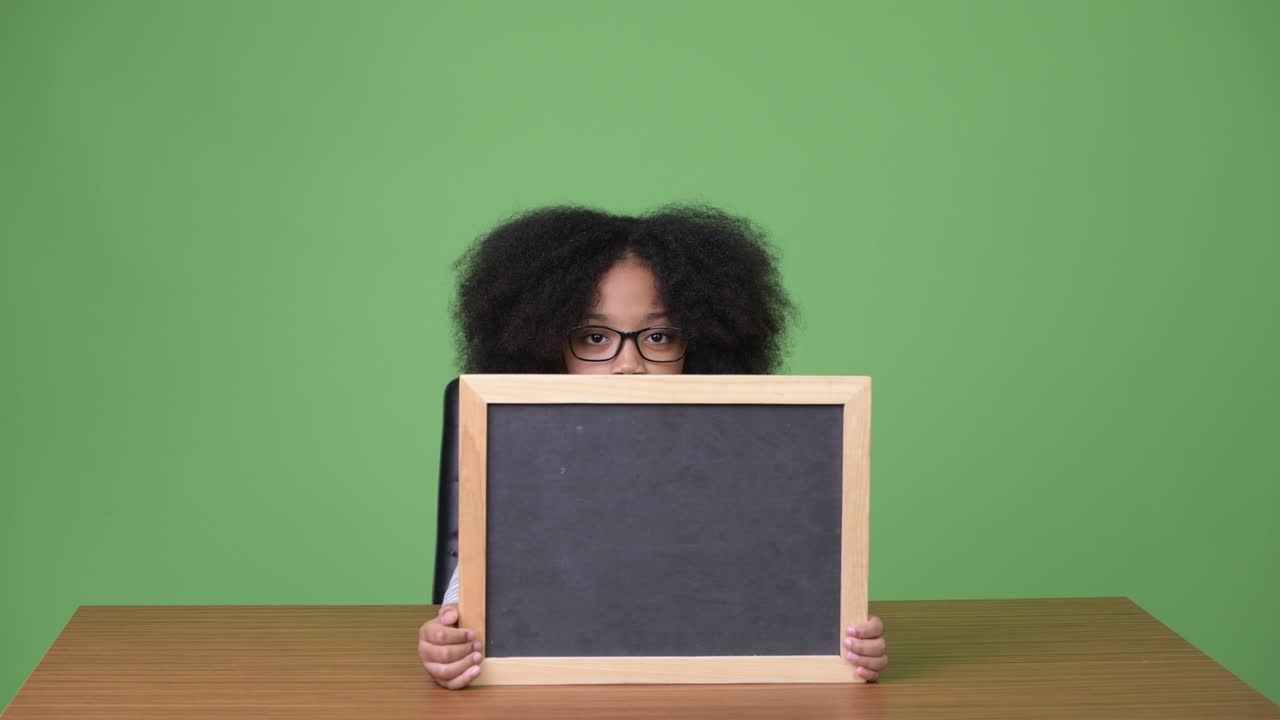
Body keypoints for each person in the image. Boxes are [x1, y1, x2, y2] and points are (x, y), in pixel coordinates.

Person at [417, 205, 889, 689]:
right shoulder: (523, 454)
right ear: (544, 343)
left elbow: (791, 572)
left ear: (703, 342)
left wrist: (848, 642)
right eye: (594, 337)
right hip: (561, 688)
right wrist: (449, 633)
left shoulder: (747, 457)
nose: (628, 364)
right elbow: (480, 571)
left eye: (659, 336)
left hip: (712, 685)